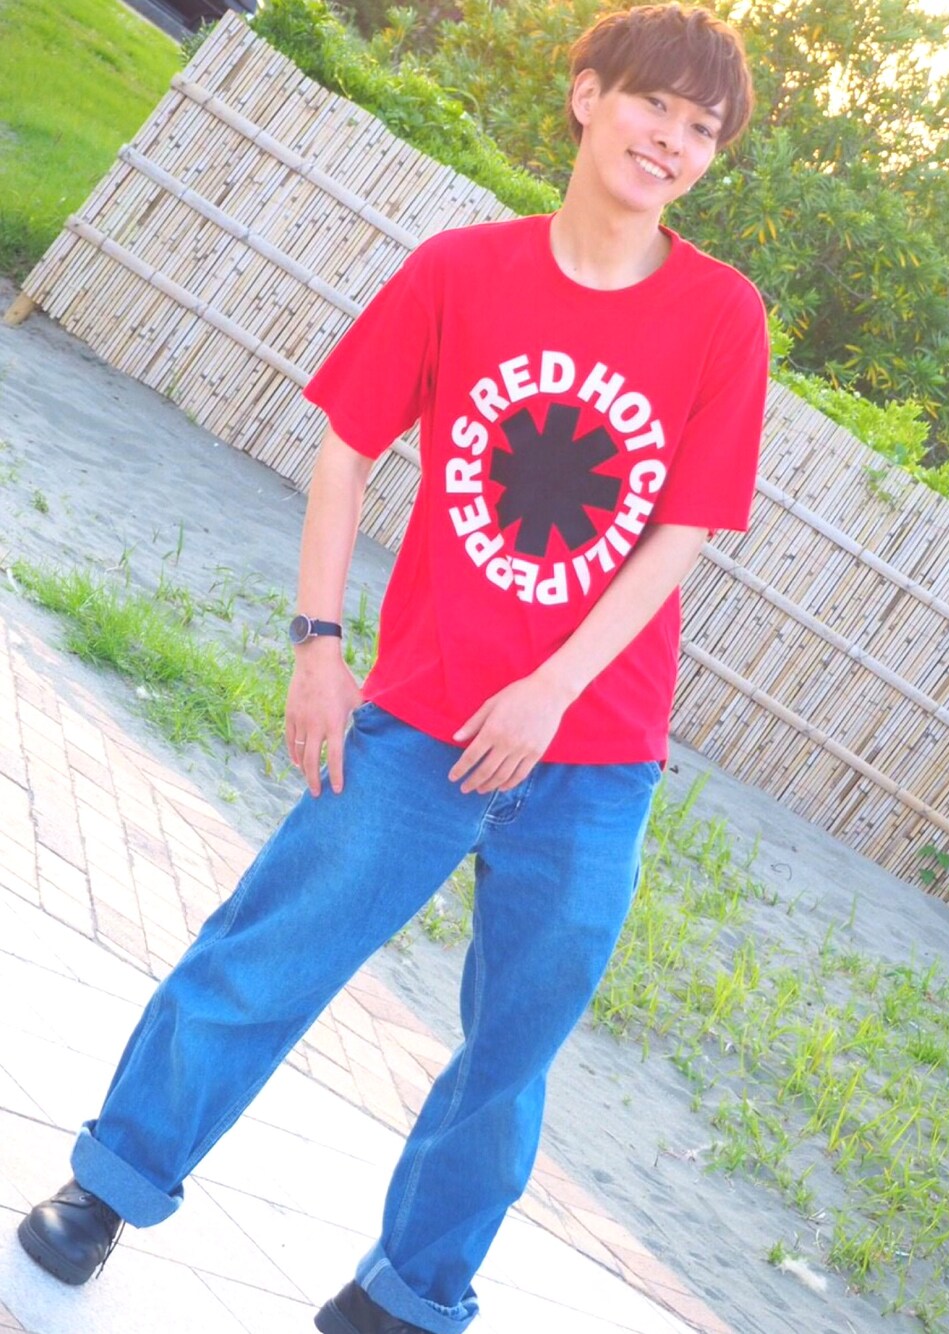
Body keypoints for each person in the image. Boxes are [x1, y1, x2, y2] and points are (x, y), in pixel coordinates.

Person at [17, 5, 768, 1331]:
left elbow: (682, 534)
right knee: (268, 955)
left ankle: (409, 1294)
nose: (672, 140)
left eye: (702, 129)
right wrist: (319, 645)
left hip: (594, 759)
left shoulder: (720, 315)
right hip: (422, 719)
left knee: (511, 1056)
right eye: (654, 104)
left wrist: (552, 692)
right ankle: (111, 1184)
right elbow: (346, 449)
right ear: (588, 96)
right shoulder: (461, 271)